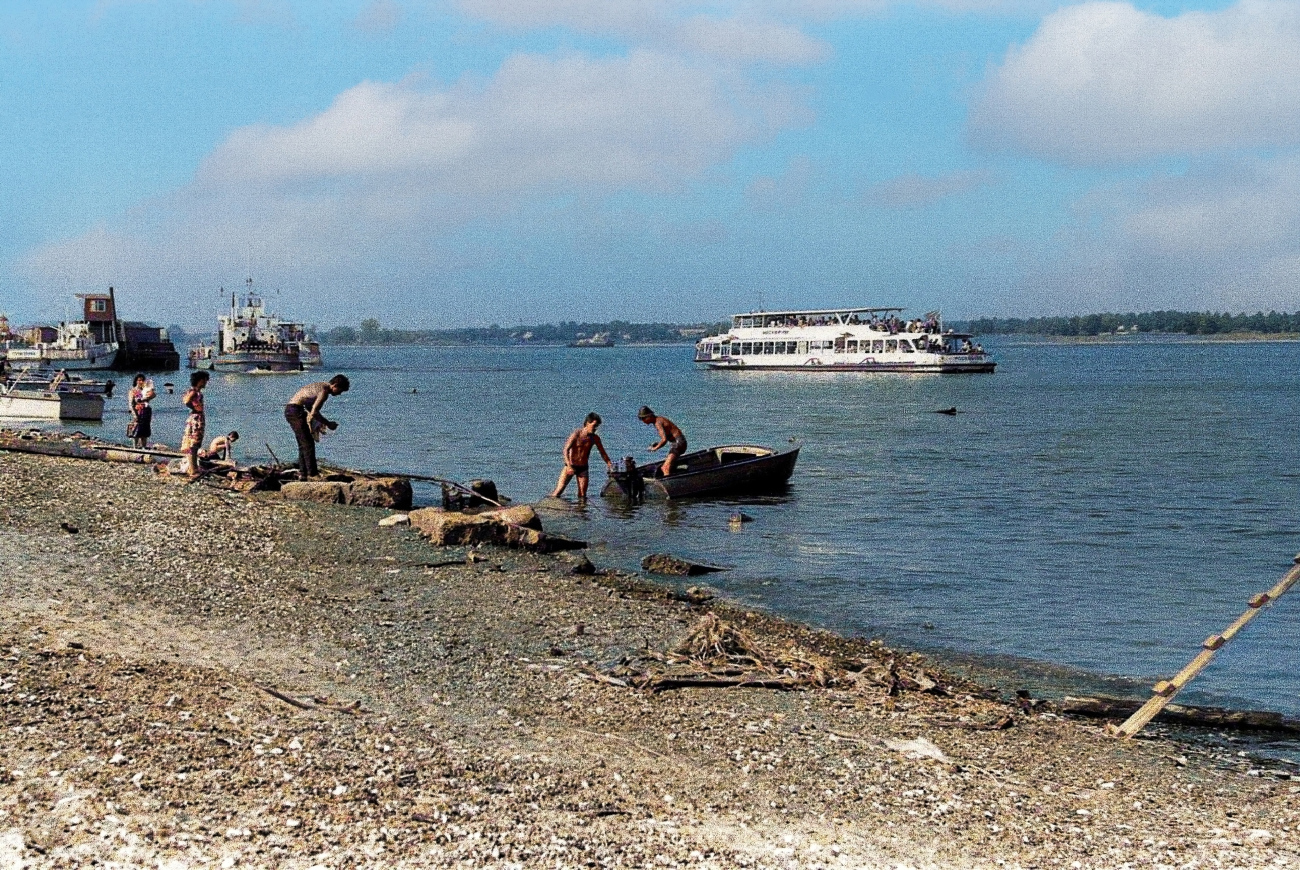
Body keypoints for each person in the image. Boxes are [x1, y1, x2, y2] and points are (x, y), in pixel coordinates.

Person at [284, 374, 349, 479]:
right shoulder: (324, 391)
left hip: (293, 410)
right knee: (308, 443)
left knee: (303, 443)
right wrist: (328, 424)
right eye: (340, 391)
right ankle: (312, 474)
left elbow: (310, 407)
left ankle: (303, 473)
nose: (340, 394)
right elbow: (314, 412)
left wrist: (319, 422)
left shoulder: (321, 386)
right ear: (335, 385)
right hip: (294, 411)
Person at [551, 412, 614, 500]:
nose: (595, 428)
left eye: (597, 426)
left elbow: (603, 453)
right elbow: (565, 450)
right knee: (559, 491)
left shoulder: (595, 438)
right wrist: (568, 466)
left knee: (582, 495)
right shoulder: (576, 434)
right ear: (588, 423)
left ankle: (581, 513)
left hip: (583, 468)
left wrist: (609, 464)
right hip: (571, 465)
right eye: (594, 425)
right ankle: (550, 508)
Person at [638, 405, 687, 478]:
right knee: (667, 466)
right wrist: (657, 444)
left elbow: (664, 440)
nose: (643, 421)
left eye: (643, 418)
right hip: (679, 442)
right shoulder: (659, 419)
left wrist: (655, 448)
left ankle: (668, 485)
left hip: (678, 443)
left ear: (649, 416)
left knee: (665, 468)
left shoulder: (658, 423)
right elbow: (667, 437)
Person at [180, 371, 209, 478]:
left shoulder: (191, 391)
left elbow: (185, 399)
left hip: (194, 418)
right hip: (196, 419)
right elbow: (186, 401)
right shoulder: (194, 392)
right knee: (194, 444)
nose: (206, 383)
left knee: (193, 444)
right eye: (205, 380)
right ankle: (193, 470)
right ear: (200, 380)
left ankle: (194, 468)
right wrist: (194, 408)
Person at [127, 373, 155, 449]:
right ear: (136, 381)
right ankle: (135, 447)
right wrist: (134, 414)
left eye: (142, 380)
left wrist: (148, 396)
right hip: (137, 411)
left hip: (146, 411)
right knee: (136, 429)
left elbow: (153, 395)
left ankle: (144, 446)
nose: (141, 382)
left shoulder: (146, 390)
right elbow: (131, 404)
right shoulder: (133, 391)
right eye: (139, 380)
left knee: (145, 430)